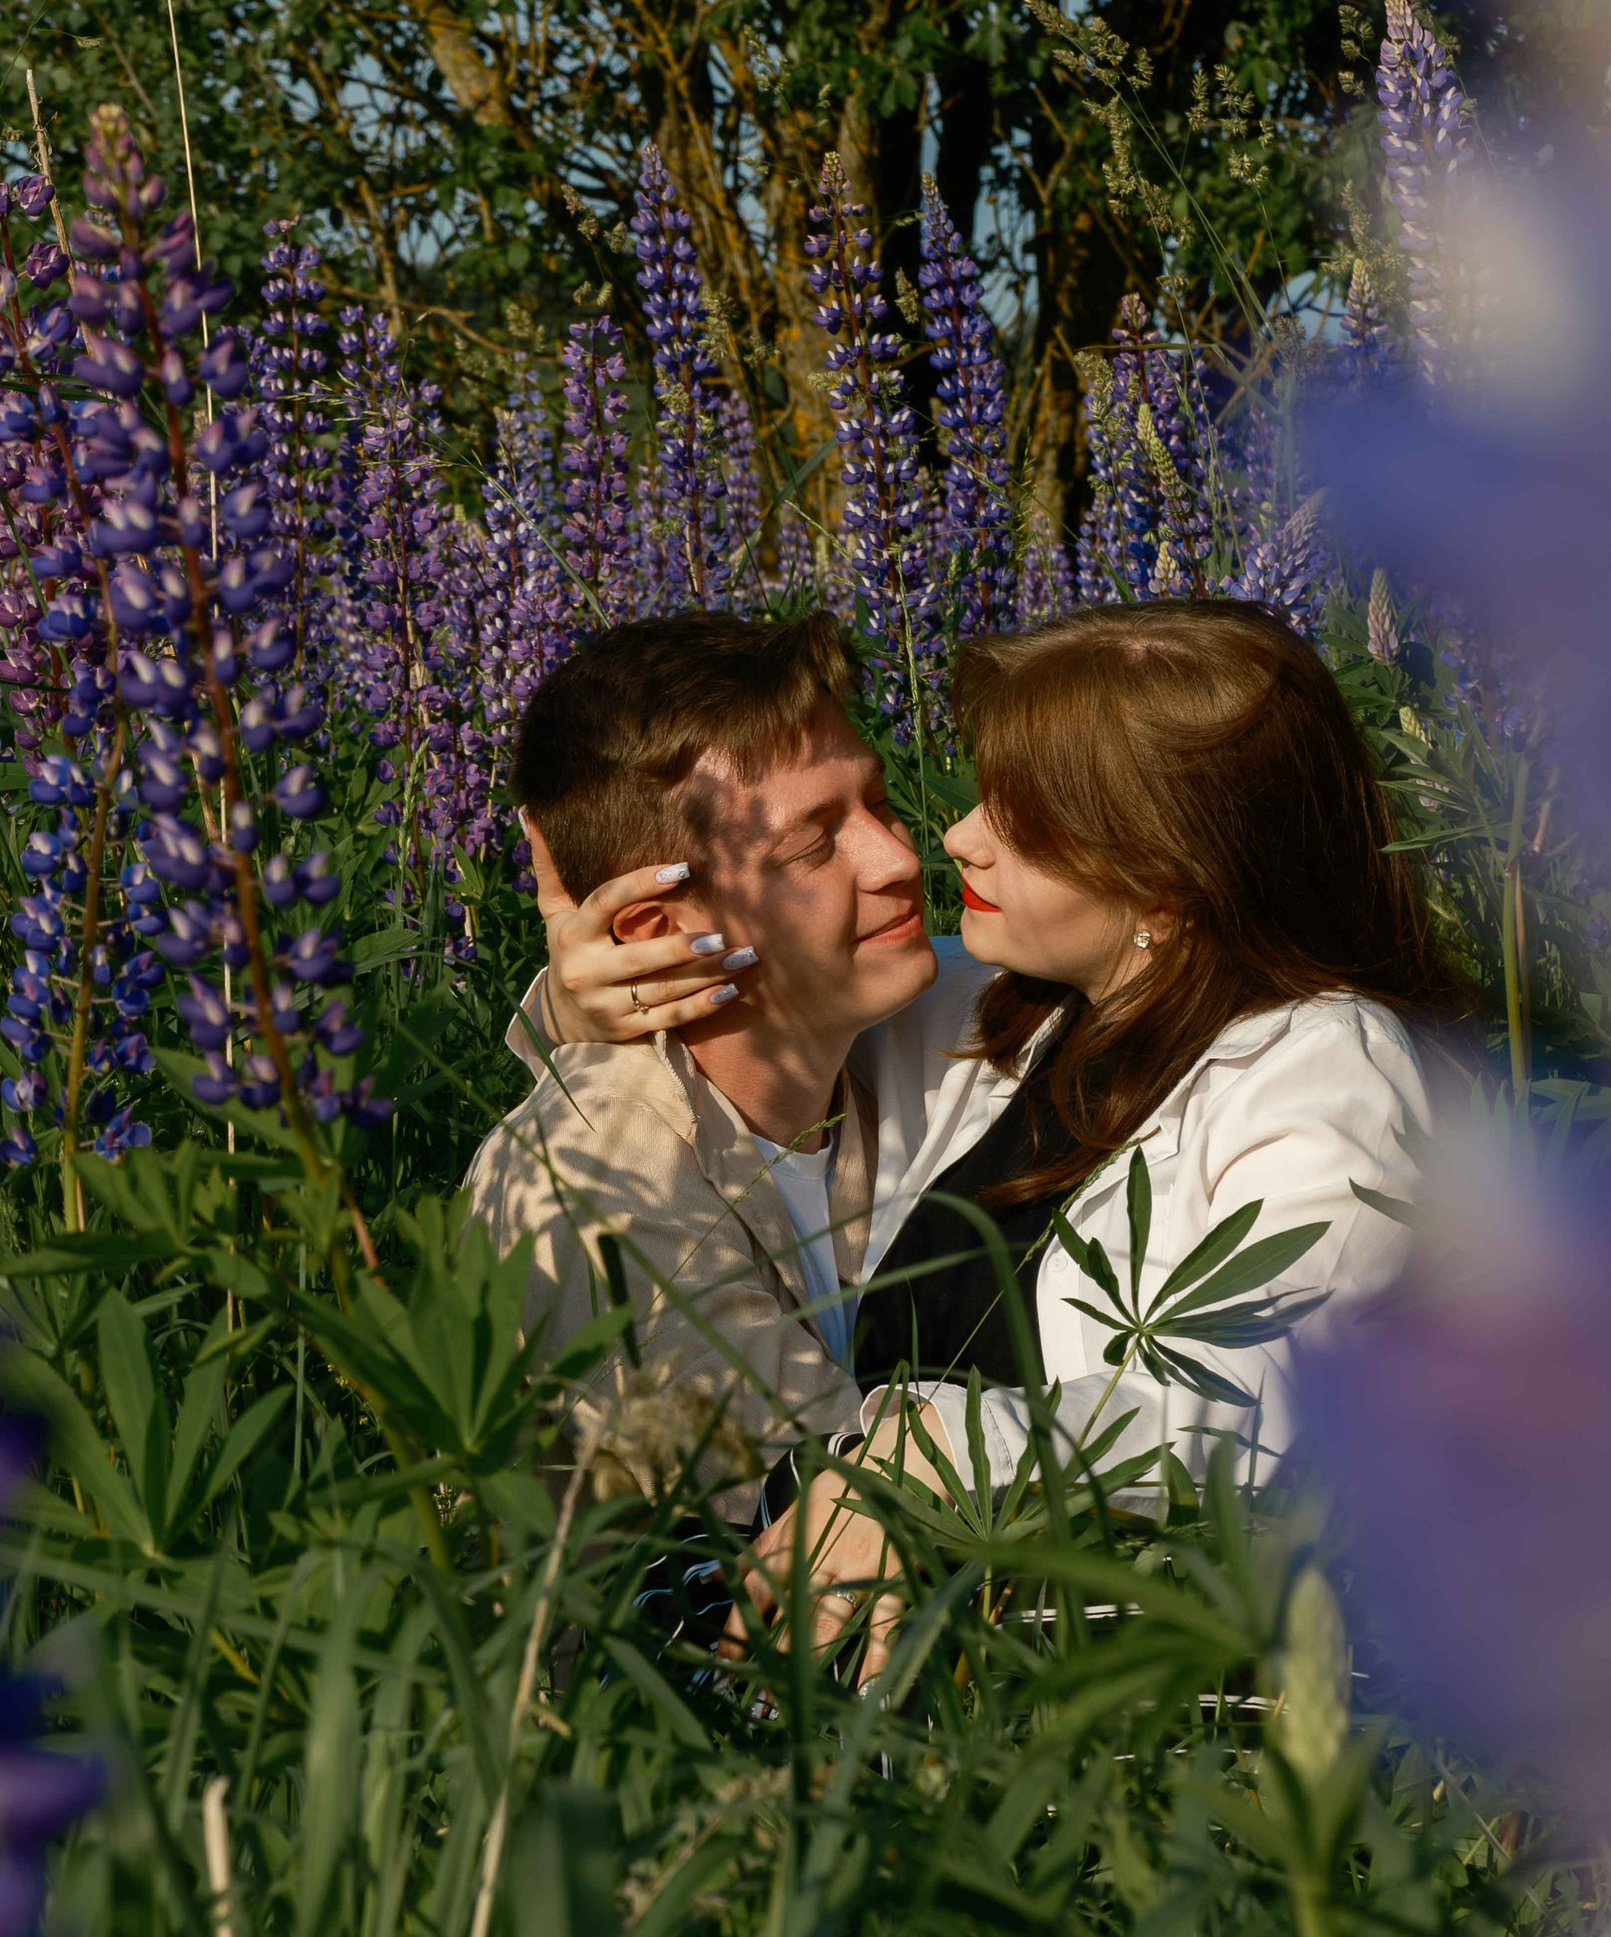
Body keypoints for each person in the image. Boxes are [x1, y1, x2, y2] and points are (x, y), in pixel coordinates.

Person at [535, 598, 1466, 1609]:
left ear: (1164, 876)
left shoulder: (1322, 1067)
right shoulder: (1027, 1013)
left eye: (1020, 818)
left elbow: (1265, 1410)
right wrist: (579, 1004)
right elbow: (740, 1022)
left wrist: (924, 1455)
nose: (945, 842)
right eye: (980, 797)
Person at [462, 609, 939, 1503]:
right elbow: (822, 1530)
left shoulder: (901, 1034)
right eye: (814, 844)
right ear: (655, 933)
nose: (897, 859)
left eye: (878, 802)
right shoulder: (599, 1183)